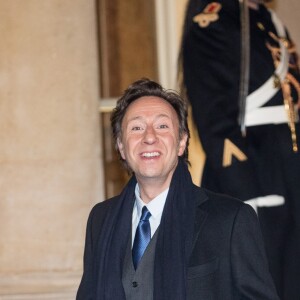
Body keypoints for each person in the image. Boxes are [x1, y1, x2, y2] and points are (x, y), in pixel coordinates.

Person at [76, 78, 279, 300]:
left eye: (162, 126)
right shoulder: (100, 220)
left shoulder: (231, 220)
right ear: (122, 147)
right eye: (136, 127)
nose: (149, 137)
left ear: (182, 142)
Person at [181, 0, 300, 299]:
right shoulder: (212, 19)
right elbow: (214, 117)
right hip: (255, 170)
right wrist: (247, 192)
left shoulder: (268, 19)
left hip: (288, 170)